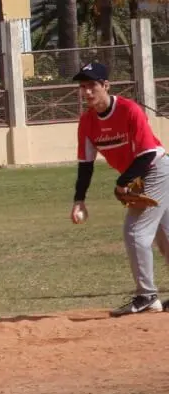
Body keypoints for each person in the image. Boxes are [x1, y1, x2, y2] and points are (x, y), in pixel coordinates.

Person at [71, 60, 169, 316]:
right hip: (137, 176)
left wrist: (122, 183)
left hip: (157, 170)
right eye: (83, 87)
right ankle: (149, 296)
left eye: (92, 85)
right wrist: (79, 200)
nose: (87, 92)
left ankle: (146, 296)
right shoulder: (87, 122)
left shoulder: (129, 110)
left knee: (135, 233)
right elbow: (85, 165)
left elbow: (148, 153)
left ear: (106, 85)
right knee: (165, 236)